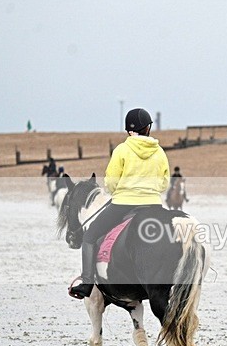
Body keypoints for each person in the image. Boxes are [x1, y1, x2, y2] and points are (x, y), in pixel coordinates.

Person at [69, 108, 170, 299]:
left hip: (124, 204)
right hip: (153, 205)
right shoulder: (160, 152)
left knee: (89, 236)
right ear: (148, 128)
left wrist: (121, 192)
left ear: (129, 130)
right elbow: (164, 182)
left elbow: (111, 182)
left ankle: (87, 283)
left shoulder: (122, 150)